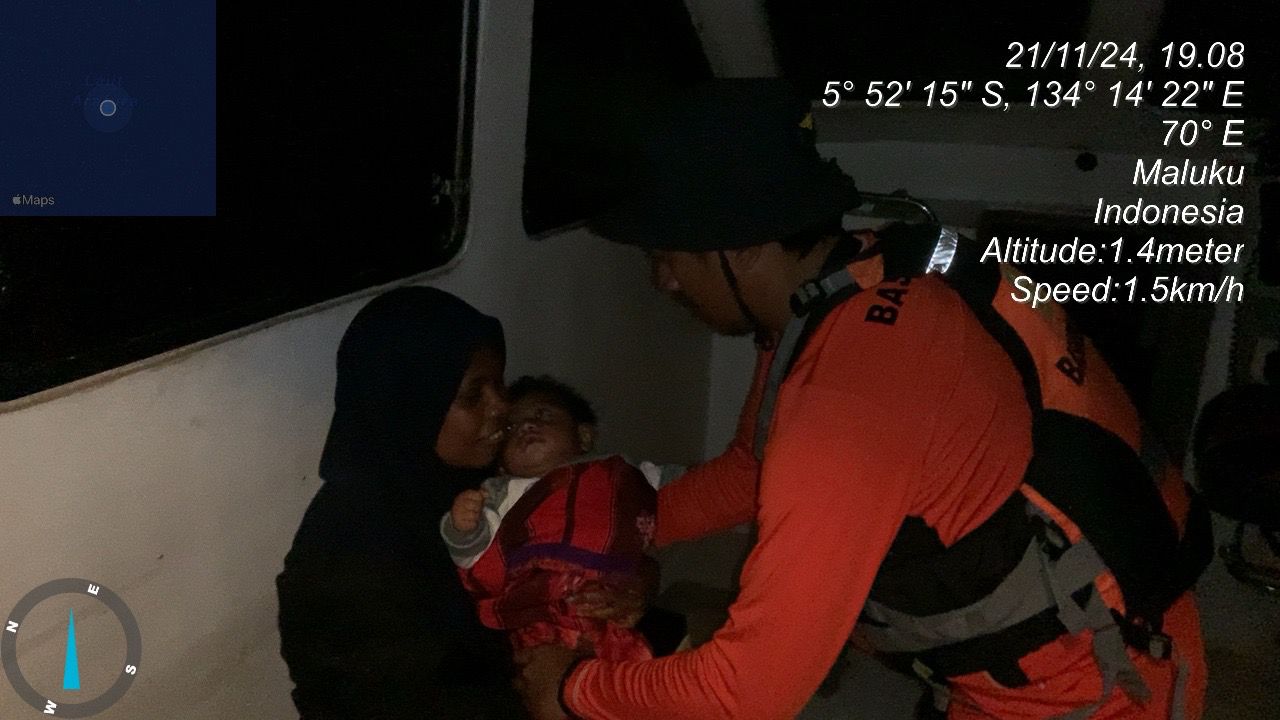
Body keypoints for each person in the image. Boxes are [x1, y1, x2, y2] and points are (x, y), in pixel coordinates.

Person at [516, 79, 1209, 720]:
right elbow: (754, 469)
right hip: (1061, 641)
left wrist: (571, 690)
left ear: (740, 246)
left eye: (667, 256)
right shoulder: (854, 282)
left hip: (1106, 687)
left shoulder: (845, 401)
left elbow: (750, 690)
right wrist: (609, 528)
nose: (664, 282)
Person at [275, 286, 525, 719]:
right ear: (411, 404)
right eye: (473, 395)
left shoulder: (473, 484)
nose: (502, 406)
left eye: (499, 384)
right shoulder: (352, 550)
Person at [441, 375, 659, 663]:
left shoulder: (617, 472)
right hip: (538, 616)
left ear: (584, 436)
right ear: (502, 463)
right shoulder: (501, 492)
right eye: (511, 428)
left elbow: (679, 488)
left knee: (630, 669)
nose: (526, 426)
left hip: (608, 608)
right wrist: (463, 527)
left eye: (543, 415)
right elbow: (475, 555)